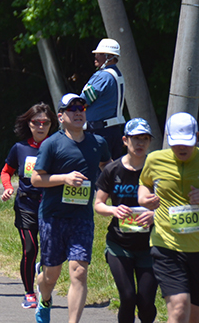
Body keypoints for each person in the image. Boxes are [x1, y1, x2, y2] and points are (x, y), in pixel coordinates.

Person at [31, 93, 111, 323]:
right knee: (50, 276)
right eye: (72, 109)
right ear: (60, 116)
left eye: (82, 108)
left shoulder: (98, 143)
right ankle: (44, 299)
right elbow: (36, 179)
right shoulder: (51, 144)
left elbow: (107, 167)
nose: (78, 112)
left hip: (81, 217)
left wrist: (106, 186)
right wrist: (63, 178)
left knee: (79, 271)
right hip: (53, 217)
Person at [94, 118, 157, 323]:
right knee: (128, 297)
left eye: (144, 139)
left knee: (146, 302)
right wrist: (113, 210)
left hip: (150, 245)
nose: (140, 143)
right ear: (125, 140)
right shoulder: (112, 170)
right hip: (119, 245)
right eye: (135, 138)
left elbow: (171, 205)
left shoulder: (157, 171)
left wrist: (155, 215)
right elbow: (98, 204)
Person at [138, 112, 199, 323]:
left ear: (197, 137)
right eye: (177, 143)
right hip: (166, 245)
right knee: (179, 306)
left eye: (187, 143)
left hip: (197, 248)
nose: (182, 148)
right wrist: (144, 198)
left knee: (194, 315)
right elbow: (144, 184)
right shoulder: (155, 160)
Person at [1, 103, 57, 309]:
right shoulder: (20, 148)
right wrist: (7, 188)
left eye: (45, 123)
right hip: (26, 204)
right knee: (30, 249)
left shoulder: (58, 146)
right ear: (29, 124)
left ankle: (42, 273)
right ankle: (29, 292)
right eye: (36, 123)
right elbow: (6, 171)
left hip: (52, 206)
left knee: (51, 252)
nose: (41, 127)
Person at [80, 38, 126, 160]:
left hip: (100, 132)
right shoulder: (117, 74)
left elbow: (83, 101)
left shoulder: (103, 76)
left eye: (99, 54)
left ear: (109, 56)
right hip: (114, 131)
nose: (95, 56)